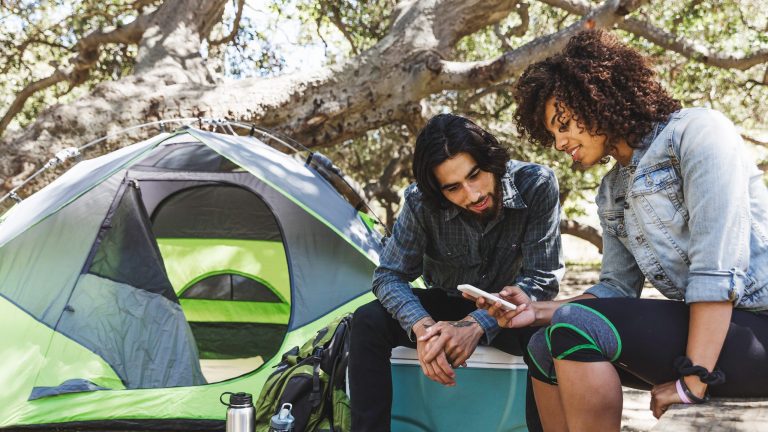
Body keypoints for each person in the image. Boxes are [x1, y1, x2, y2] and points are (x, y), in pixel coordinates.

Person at [473, 29, 768, 432]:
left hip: (757, 326)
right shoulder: (612, 189)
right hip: (719, 331)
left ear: (598, 96)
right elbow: (615, 289)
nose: (560, 142)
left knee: (576, 326)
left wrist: (692, 380)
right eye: (552, 134)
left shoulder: (698, 133)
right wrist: (534, 310)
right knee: (544, 343)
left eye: (564, 123)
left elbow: (716, 271)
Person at [348, 113, 564, 431]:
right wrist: (424, 331)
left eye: (475, 175)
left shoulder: (536, 185)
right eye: (453, 189)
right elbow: (388, 275)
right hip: (445, 303)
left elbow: (542, 280)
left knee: (548, 337)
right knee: (367, 321)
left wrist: (476, 324)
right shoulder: (419, 202)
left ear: (491, 159)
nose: (472, 195)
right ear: (438, 191)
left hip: (511, 312)